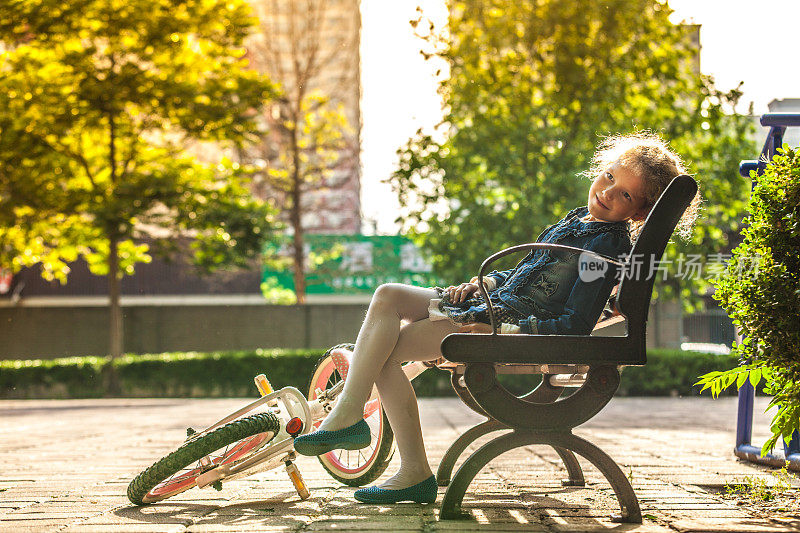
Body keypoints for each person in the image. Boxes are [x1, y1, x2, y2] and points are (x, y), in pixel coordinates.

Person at [294, 132, 700, 504]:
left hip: (504, 324)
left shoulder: (603, 251)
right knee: (388, 296)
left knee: (381, 352)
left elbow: (573, 326)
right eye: (609, 177)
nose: (608, 192)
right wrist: (481, 282)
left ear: (640, 213)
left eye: (625, 195)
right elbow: (527, 273)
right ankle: (352, 415)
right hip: (490, 302)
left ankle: (409, 466)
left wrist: (498, 329)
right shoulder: (578, 220)